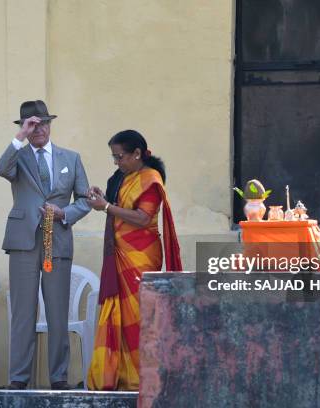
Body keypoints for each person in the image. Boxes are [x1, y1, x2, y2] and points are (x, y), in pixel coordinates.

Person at [0, 100, 90, 390]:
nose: (40, 129)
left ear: (51, 124)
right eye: (33, 124)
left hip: (57, 238)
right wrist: (20, 136)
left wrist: (66, 213)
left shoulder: (71, 158)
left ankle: (59, 377)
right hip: (24, 240)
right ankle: (19, 379)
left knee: (58, 311)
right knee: (23, 311)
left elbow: (85, 199)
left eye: (44, 123)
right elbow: (1, 168)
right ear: (26, 127)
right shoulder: (19, 156)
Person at [86, 129, 183, 390]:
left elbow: (141, 217)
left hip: (141, 256)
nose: (116, 162)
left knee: (139, 315)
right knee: (117, 311)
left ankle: (141, 378)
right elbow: (120, 209)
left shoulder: (150, 179)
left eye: (119, 157)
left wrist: (105, 207)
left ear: (137, 154)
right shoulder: (124, 177)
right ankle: (118, 376)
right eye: (114, 158)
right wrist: (103, 199)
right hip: (120, 253)